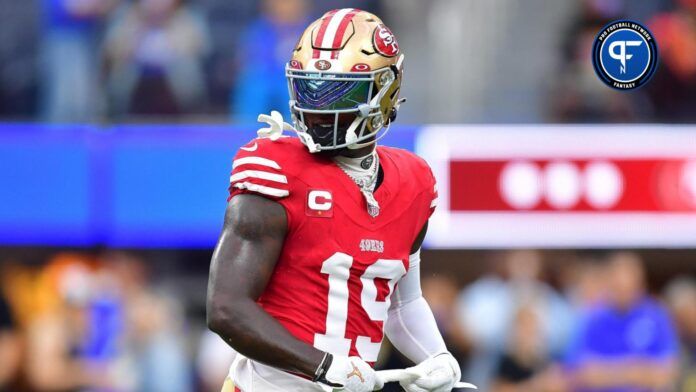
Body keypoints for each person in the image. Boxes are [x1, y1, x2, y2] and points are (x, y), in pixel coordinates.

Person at [207, 9, 469, 392]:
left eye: (340, 91)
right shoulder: (274, 167)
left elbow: (402, 303)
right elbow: (226, 308)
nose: (319, 108)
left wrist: (437, 358)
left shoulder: (413, 181)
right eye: (310, 89)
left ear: (386, 91)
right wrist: (322, 366)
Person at [564, 252, 679, 392]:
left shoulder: (656, 316)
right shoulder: (591, 318)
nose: (624, 289)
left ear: (640, 282)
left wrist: (606, 372)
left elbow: (666, 373)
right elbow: (580, 374)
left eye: (629, 284)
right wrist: (635, 370)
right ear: (608, 282)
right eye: (618, 284)